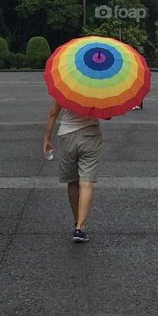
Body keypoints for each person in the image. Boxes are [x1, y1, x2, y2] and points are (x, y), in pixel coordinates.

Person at [43, 100, 103, 243]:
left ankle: (76, 220)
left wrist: (47, 138)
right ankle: (80, 227)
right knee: (86, 183)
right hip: (91, 135)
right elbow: (106, 116)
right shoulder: (97, 89)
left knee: (72, 182)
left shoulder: (66, 88)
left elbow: (53, 113)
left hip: (67, 136)